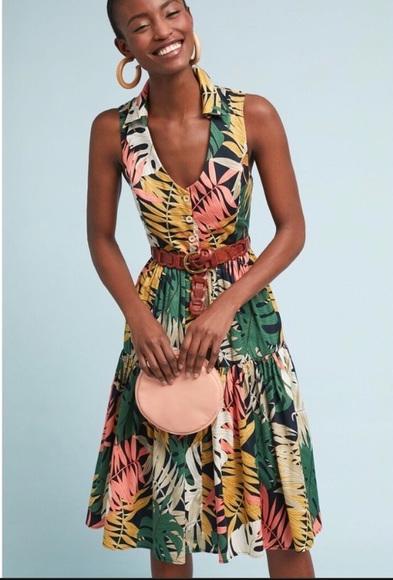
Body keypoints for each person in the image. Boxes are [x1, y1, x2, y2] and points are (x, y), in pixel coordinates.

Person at [85, 0, 323, 577]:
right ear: (124, 47)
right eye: (140, 25)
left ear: (189, 16)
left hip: (247, 324)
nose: (162, 31)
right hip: (159, 330)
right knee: (169, 521)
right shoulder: (113, 130)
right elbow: (100, 237)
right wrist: (139, 319)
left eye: (171, 12)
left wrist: (224, 307)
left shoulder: (252, 115)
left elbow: (292, 230)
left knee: (282, 516)